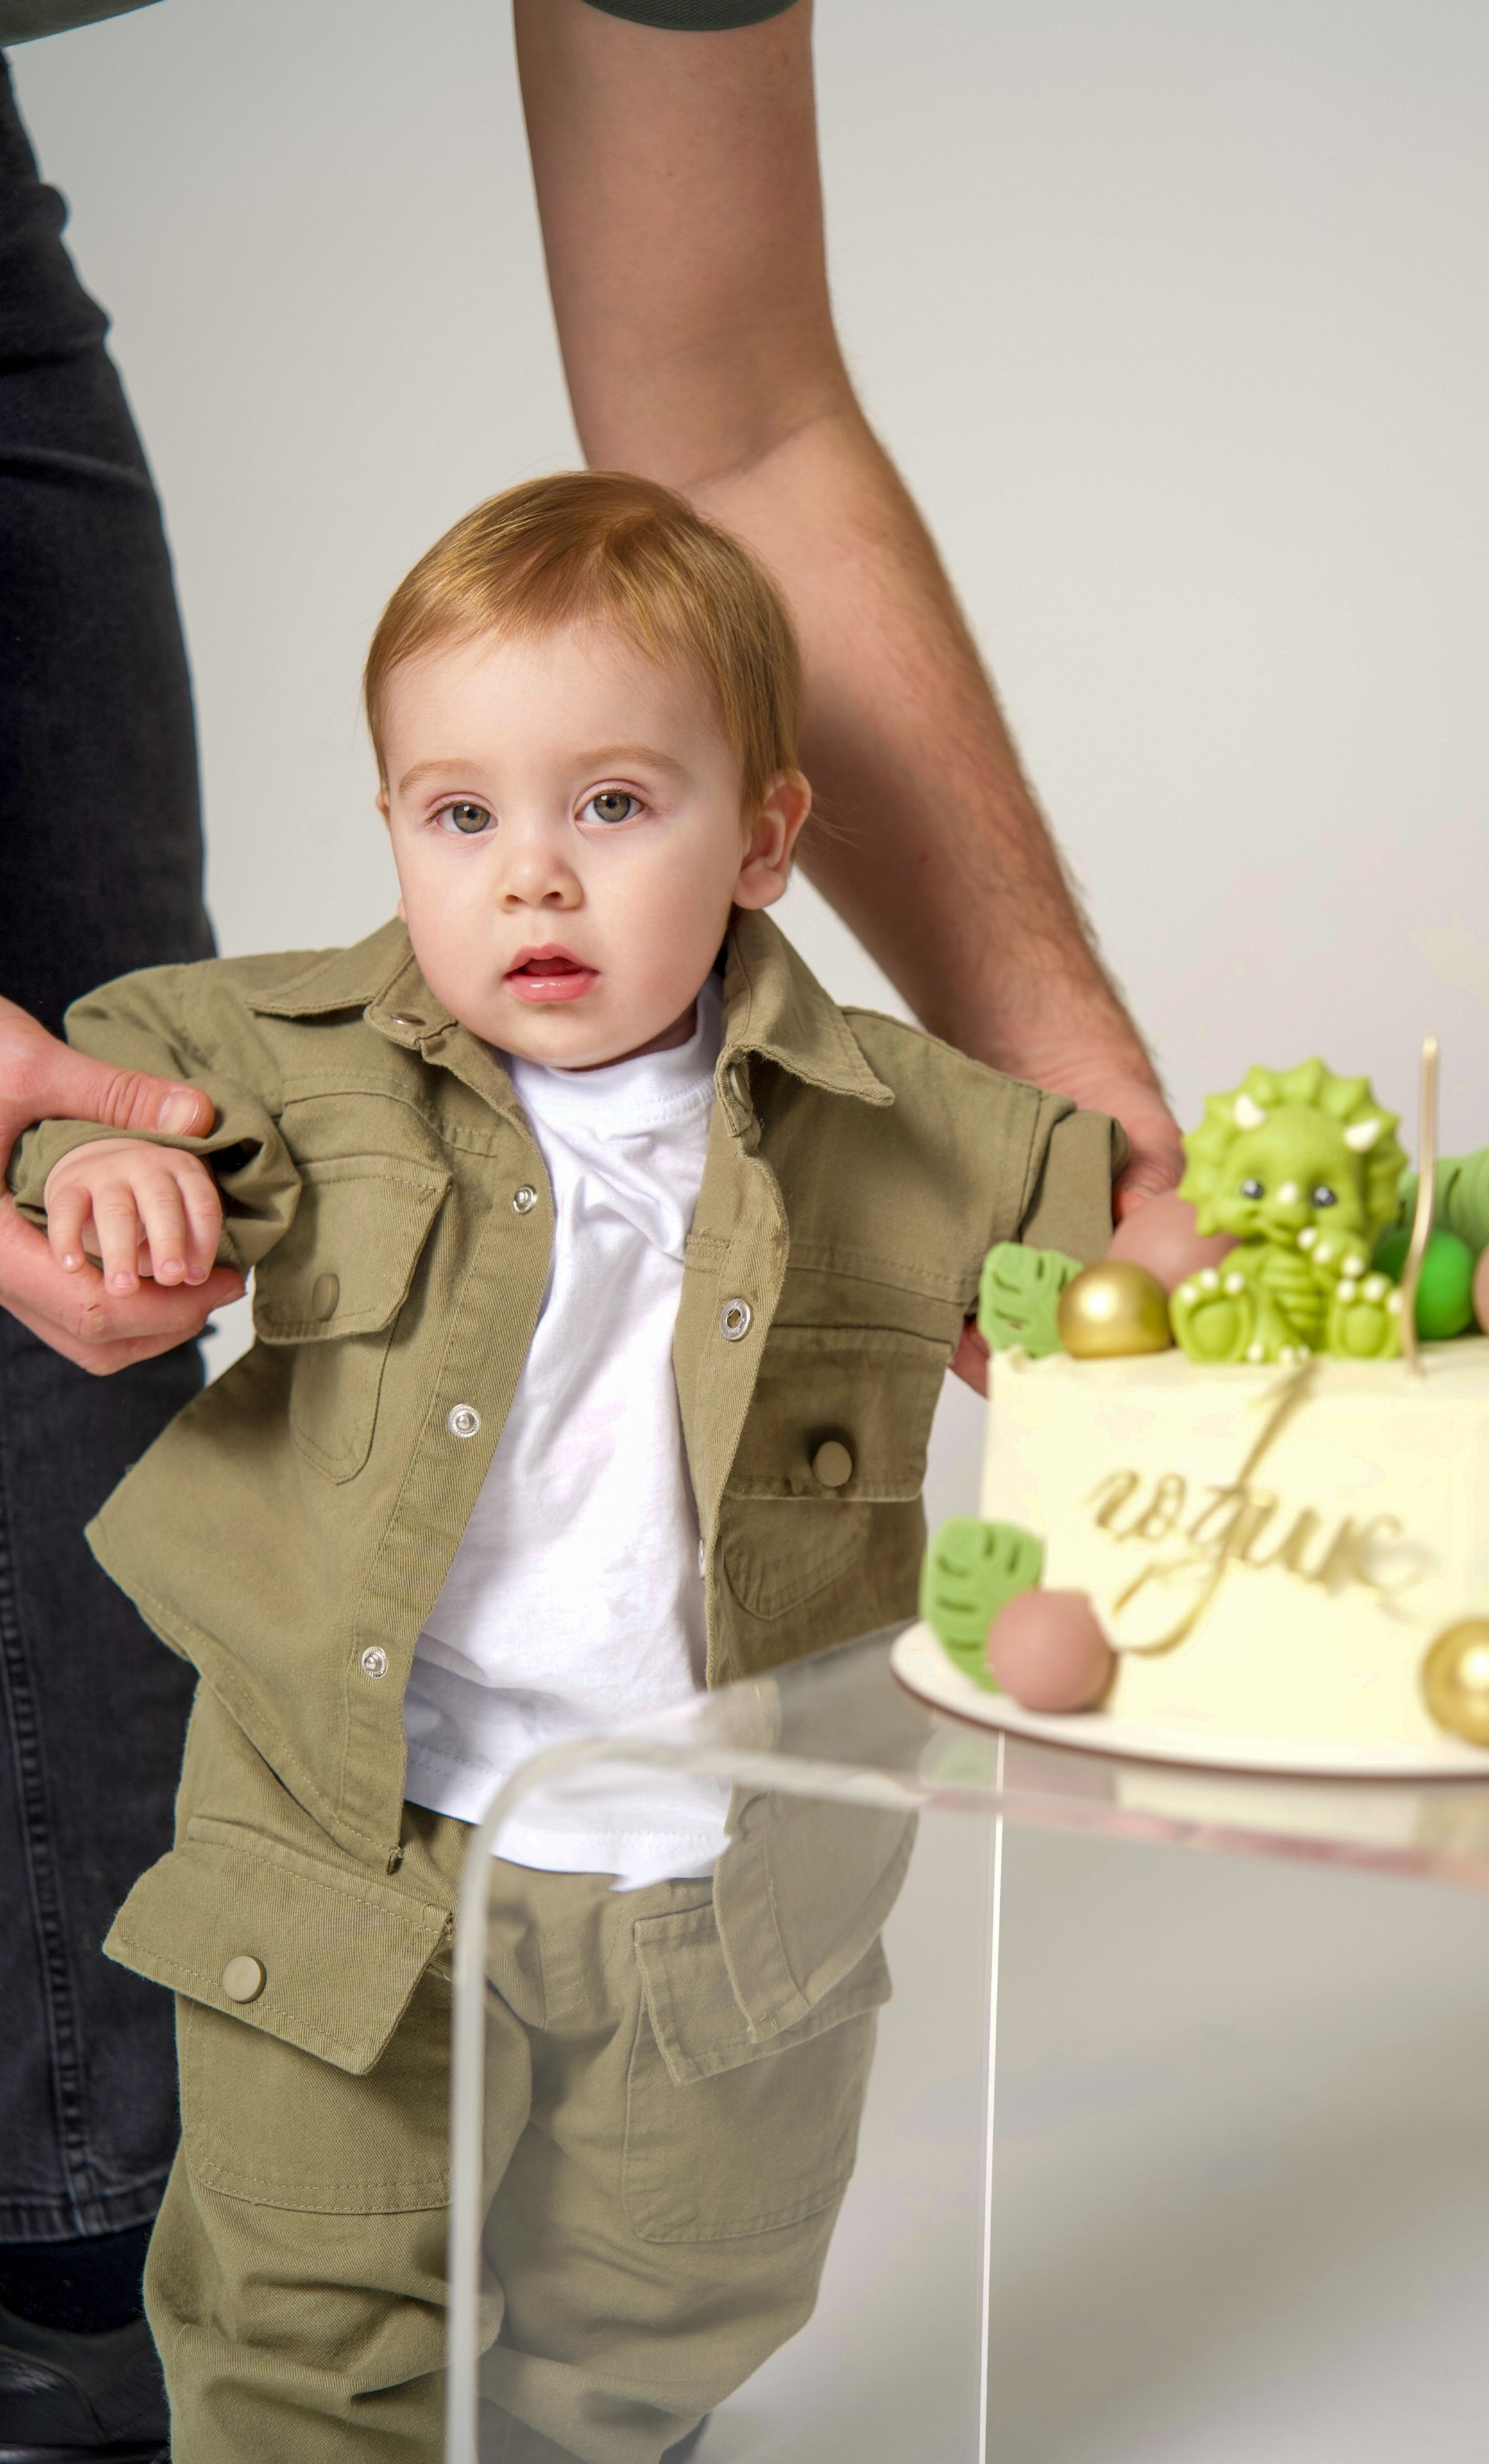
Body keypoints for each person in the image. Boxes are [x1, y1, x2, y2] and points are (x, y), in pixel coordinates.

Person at [0, 2, 1177, 2448]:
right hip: (352, 1850)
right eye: (457, 816)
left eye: (614, 804)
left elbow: (1111, 1239)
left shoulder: (887, 1119)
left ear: (765, 836)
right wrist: (87, 1162)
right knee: (302, 2330)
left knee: (653, 2319)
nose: (527, 870)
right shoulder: (280, 1067)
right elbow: (89, 1106)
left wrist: (1151, 1309)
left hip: (711, 1893)